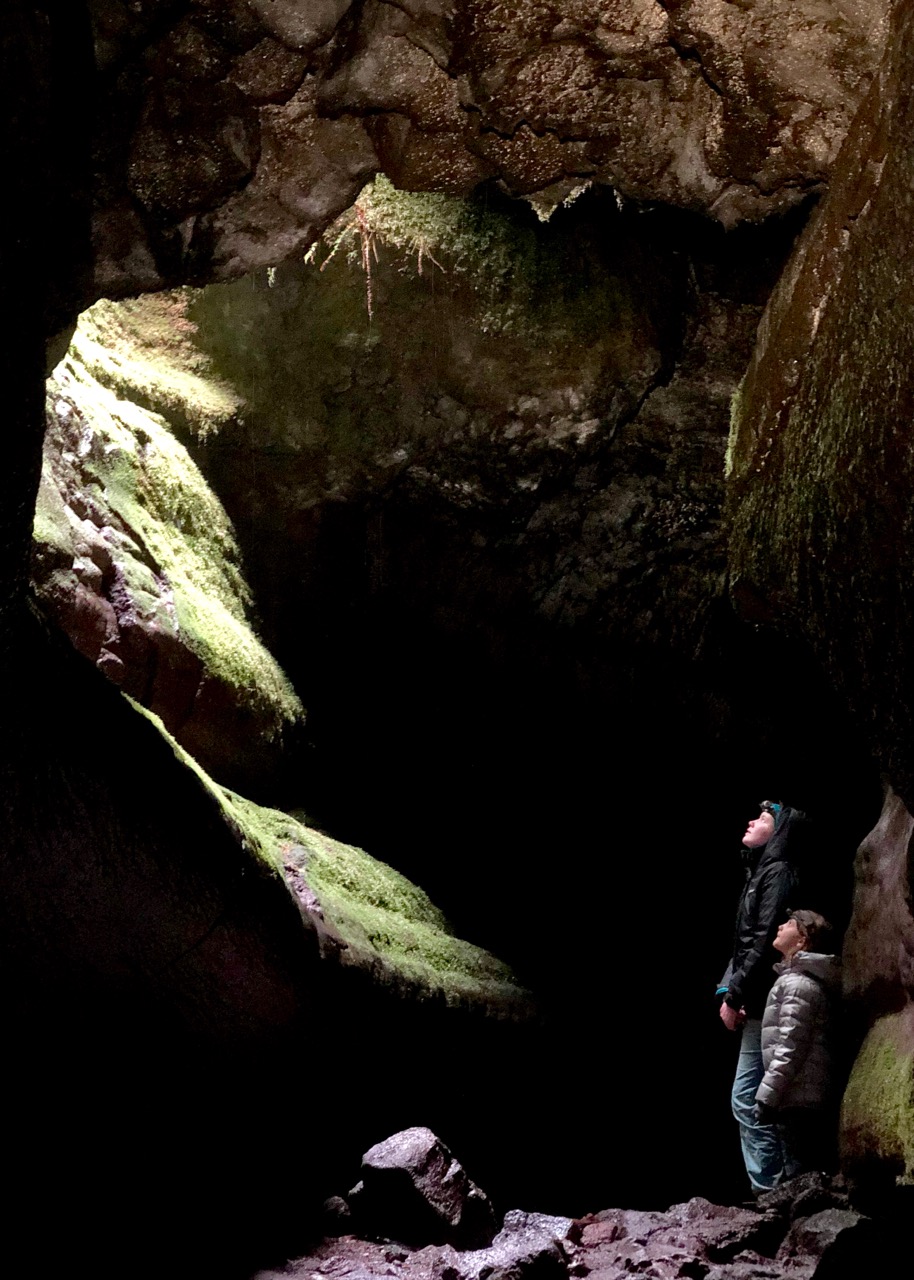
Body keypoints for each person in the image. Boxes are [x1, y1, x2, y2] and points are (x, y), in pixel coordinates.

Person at [717, 799, 805, 1192]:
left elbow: (764, 938)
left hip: (769, 998)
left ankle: (773, 1190)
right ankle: (778, 1188)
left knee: (752, 1098)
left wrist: (734, 996)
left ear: (780, 829)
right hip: (759, 996)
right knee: (757, 1098)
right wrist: (729, 986)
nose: (752, 820)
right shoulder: (760, 872)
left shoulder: (777, 872)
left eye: (764, 817)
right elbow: (744, 942)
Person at [755, 910, 840, 1179]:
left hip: (799, 1100)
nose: (780, 926)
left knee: (802, 1176)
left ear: (802, 940)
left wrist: (767, 1097)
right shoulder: (793, 981)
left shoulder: (798, 985)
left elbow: (791, 1046)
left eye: (789, 924)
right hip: (796, 1097)